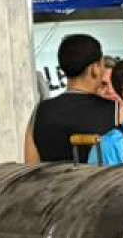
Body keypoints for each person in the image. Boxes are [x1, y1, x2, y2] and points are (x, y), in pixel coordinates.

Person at [26, 33, 118, 164]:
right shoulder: (116, 112)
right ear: (95, 69)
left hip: (51, 178)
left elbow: (31, 166)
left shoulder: (40, 112)